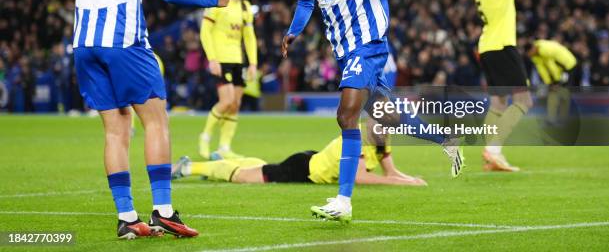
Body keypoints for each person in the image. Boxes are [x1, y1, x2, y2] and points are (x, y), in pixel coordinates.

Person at [71, 0, 231, 239]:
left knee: (116, 130)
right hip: (123, 41)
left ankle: (127, 218)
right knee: (156, 120)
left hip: (84, 41)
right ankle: (163, 211)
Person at [282, 0, 463, 223]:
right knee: (387, 114)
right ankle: (446, 139)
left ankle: (343, 200)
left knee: (346, 116)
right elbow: (306, 1)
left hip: (369, 44)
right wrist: (294, 30)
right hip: (344, 49)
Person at [172, 126, 426, 187]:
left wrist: (409, 180)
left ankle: (216, 160)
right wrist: (395, 182)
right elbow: (359, 177)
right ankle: (189, 168)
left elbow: (391, 172)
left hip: (311, 160)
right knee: (244, 177)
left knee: (261, 167)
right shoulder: (358, 137)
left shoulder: (382, 138)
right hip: (302, 170)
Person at [475, 0, 533, 172]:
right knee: (524, 101)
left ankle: (491, 155)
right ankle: (494, 150)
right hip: (502, 45)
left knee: (498, 102)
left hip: (487, 47)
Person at [199, 0, 257, 159]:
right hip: (221, 59)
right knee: (227, 101)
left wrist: (253, 63)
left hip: (237, 61)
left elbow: (249, 38)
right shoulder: (218, 2)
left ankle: (224, 147)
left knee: (235, 104)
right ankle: (205, 136)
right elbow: (205, 31)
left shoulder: (246, 7)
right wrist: (212, 58)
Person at [526, 39, 579, 125]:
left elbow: (554, 65)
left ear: (533, 48)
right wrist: (550, 83)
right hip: (559, 71)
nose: (528, 55)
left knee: (563, 94)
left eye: (529, 53)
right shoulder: (535, 55)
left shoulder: (545, 50)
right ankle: (552, 119)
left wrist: (557, 82)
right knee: (553, 93)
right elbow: (542, 70)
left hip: (568, 67)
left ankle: (562, 119)